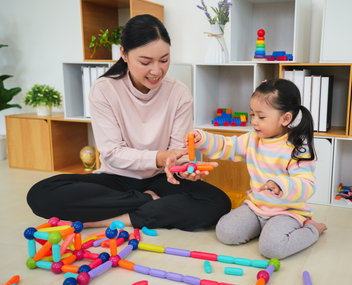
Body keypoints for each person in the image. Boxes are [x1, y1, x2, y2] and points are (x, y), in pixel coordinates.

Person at [26, 14, 231, 230]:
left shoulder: (179, 93)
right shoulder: (104, 90)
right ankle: (147, 202)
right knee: (40, 194)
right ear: (124, 53)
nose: (156, 71)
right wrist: (160, 158)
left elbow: (177, 154)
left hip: (161, 180)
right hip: (116, 179)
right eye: (145, 62)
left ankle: (117, 219)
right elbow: (112, 153)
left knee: (218, 203)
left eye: (164, 60)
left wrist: (185, 169)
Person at [192, 79, 327, 259]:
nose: (254, 122)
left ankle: (312, 229)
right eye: (252, 115)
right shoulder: (252, 138)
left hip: (287, 212)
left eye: (261, 117)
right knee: (225, 232)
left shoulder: (297, 147)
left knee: (271, 249)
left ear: (285, 118)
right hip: (256, 207)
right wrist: (202, 139)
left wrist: (281, 184)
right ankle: (264, 230)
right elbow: (227, 146)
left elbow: (307, 184)